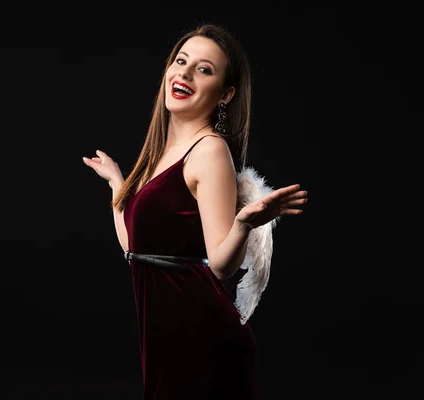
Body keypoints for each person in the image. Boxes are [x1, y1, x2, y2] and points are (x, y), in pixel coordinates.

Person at [82, 23, 307, 399]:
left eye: (204, 69)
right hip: (165, 341)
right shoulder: (160, 155)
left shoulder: (209, 151)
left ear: (225, 94)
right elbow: (134, 250)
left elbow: (220, 266)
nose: (184, 72)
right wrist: (117, 185)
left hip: (201, 341)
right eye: (181, 61)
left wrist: (242, 223)